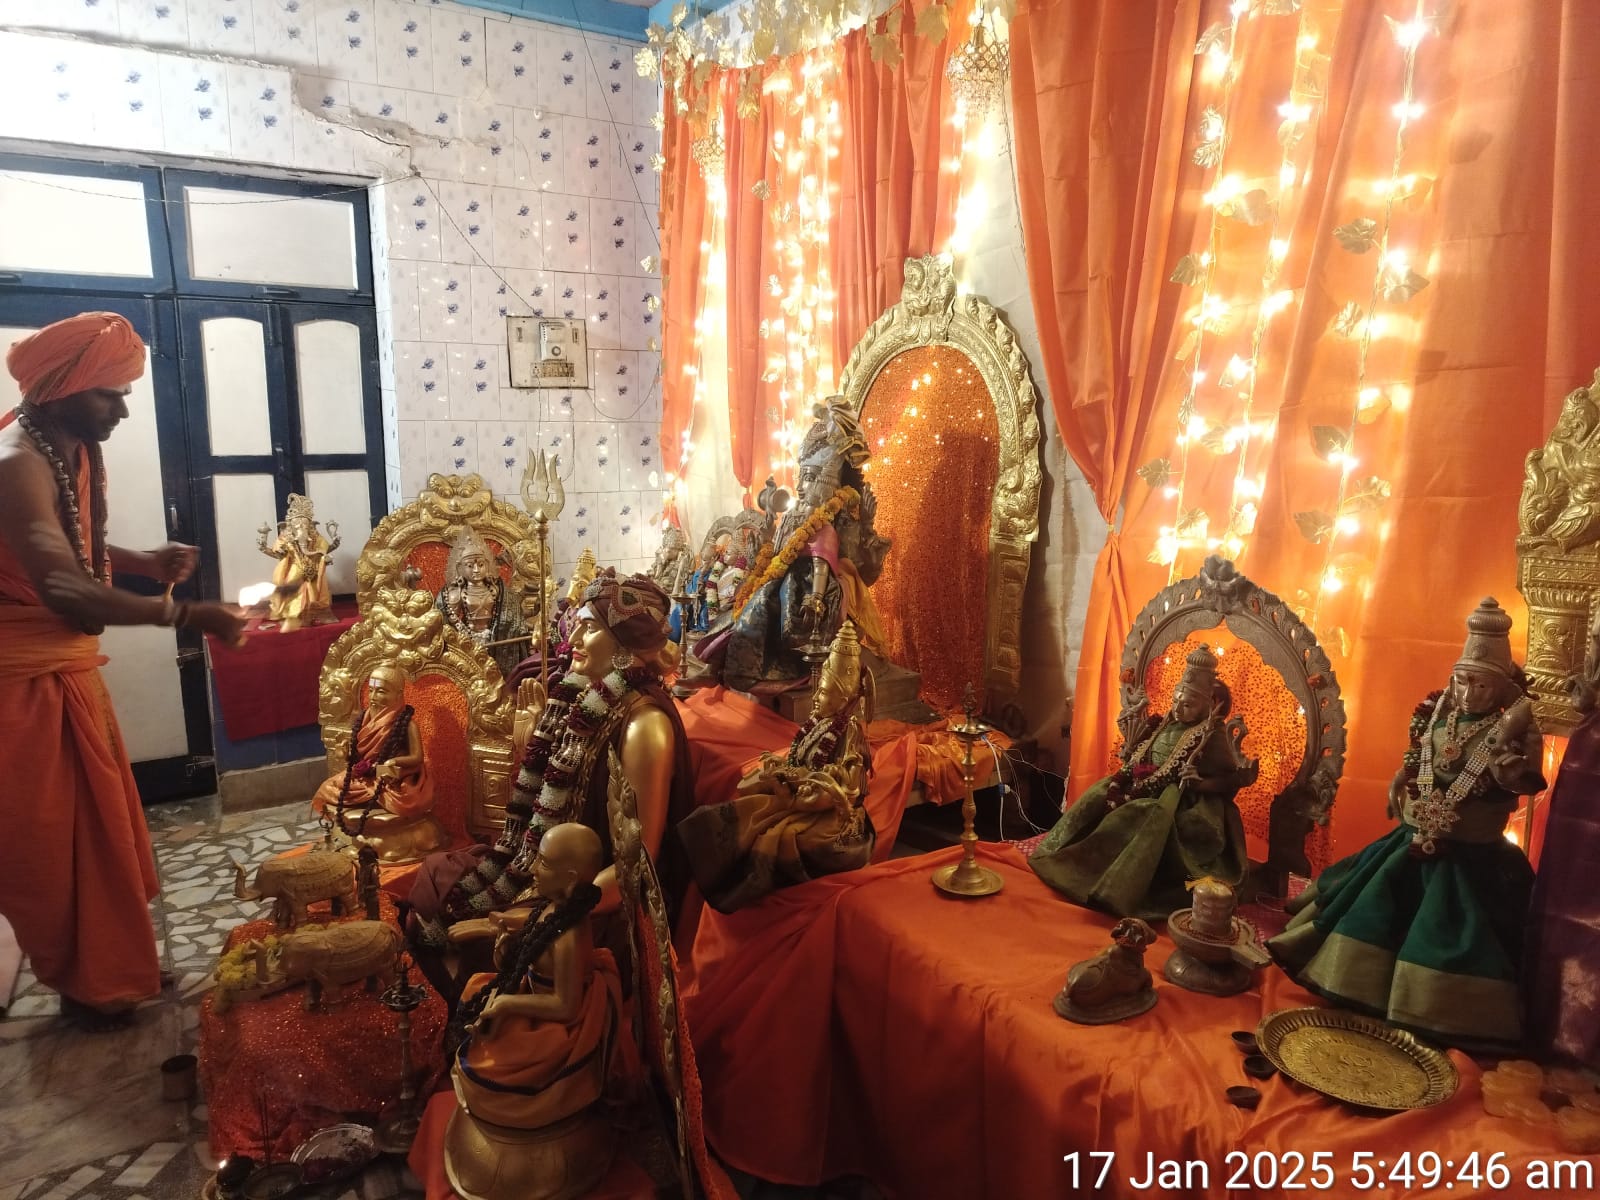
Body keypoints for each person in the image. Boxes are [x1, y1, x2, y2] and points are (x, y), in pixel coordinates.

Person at [0, 312, 246, 1029]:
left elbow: (61, 548)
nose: (123, 410)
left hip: (61, 670)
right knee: (52, 844)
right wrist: (188, 614)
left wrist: (141, 561)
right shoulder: (16, 463)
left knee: (99, 828)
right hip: (21, 685)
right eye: (110, 394)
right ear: (61, 388)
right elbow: (64, 587)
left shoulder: (61, 447)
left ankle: (108, 968)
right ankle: (90, 984)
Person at [1269, 598, 1546, 1051]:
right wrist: (1402, 777)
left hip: (1474, 855)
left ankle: (1432, 1005)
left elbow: (1527, 781)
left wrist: (1509, 770)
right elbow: (1422, 757)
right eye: (1463, 681)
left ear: (1502, 689)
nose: (1469, 694)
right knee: (1376, 906)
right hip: (1414, 836)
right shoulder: (1439, 715)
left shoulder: (1512, 728)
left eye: (1481, 685)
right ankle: (1364, 985)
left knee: (1461, 931)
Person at [407, 570, 696, 977]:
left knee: (479, 950)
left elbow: (636, 866)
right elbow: (549, 795)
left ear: (623, 643)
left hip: (597, 898)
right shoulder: (585, 695)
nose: (572, 639)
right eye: (575, 625)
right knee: (436, 883)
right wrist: (531, 739)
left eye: (589, 628)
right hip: (544, 864)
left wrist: (544, 916)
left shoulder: (644, 725)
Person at [1028, 644, 1258, 921]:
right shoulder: (1165, 723)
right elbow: (1143, 754)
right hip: (1144, 781)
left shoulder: (1212, 734)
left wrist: (1199, 783)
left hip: (1187, 800)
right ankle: (1067, 859)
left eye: (1188, 705)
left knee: (1144, 813)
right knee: (1100, 792)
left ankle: (1114, 888)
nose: (1178, 708)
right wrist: (1131, 758)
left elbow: (1230, 781)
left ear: (1209, 706)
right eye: (1176, 700)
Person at [677, 620, 877, 912]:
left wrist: (810, 785)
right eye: (818, 691)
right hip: (801, 793)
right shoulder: (819, 723)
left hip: (830, 813)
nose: (816, 698)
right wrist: (783, 768)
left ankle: (742, 888)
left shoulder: (850, 733)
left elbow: (849, 789)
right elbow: (799, 757)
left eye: (823, 693)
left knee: (773, 835)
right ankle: (698, 863)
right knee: (743, 805)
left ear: (844, 699)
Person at [311, 662, 443, 863]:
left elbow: (417, 757)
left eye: (381, 691)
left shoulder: (407, 723)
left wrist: (394, 760)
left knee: (401, 798)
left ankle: (377, 813)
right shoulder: (364, 719)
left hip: (394, 777)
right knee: (329, 787)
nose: (373, 697)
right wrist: (345, 753)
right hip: (367, 775)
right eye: (371, 690)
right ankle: (361, 809)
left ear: (398, 694)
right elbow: (358, 757)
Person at [256, 493, 339, 630]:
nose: (301, 527)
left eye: (304, 524)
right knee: (291, 584)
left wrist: (333, 546)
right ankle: (293, 613)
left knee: (314, 588)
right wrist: (266, 548)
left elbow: (323, 550)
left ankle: (313, 612)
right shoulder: (285, 537)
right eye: (297, 524)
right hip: (295, 566)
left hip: (312, 568)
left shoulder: (315, 536)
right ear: (291, 525)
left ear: (309, 525)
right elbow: (277, 554)